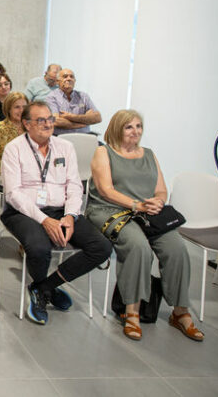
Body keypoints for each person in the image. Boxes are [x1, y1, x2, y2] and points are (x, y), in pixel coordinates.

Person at [86, 110, 203, 342]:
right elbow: (106, 190)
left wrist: (158, 202)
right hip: (109, 210)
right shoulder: (103, 152)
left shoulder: (149, 154)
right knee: (139, 247)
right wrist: (135, 204)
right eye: (129, 127)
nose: (135, 131)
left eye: (139, 126)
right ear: (117, 128)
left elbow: (161, 189)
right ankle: (132, 310)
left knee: (177, 248)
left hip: (145, 213)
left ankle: (180, 312)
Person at [0, 101, 112, 326]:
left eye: (50, 119)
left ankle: (44, 287)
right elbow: (13, 193)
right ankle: (45, 289)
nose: (48, 124)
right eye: (41, 120)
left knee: (101, 247)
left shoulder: (65, 147)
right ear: (27, 124)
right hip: (23, 212)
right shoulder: (14, 149)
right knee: (39, 248)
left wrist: (70, 215)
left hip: (61, 210)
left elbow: (74, 185)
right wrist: (44, 220)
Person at [0, 92, 27, 187]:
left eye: (24, 107)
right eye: (17, 107)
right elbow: (9, 157)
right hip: (3, 171)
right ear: (8, 109)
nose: (21, 110)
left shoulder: (30, 127)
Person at [47, 68, 101, 135]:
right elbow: (56, 121)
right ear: (57, 81)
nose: (69, 79)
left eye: (71, 77)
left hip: (84, 136)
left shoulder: (83, 96)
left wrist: (71, 116)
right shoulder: (51, 97)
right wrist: (82, 123)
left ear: (75, 81)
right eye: (65, 76)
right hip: (61, 137)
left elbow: (97, 118)